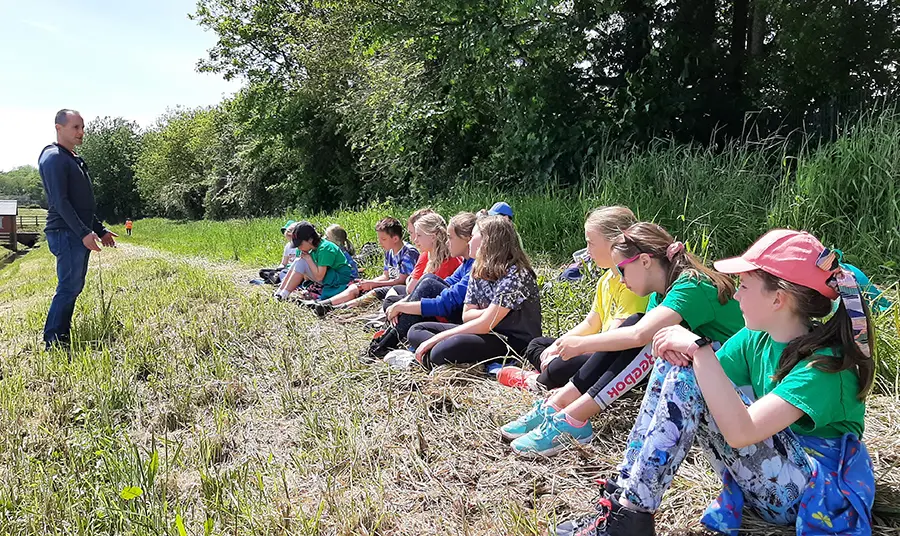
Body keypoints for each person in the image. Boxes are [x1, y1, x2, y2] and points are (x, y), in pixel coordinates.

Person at [555, 229, 877, 536]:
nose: (735, 294)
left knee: (691, 367)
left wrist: (698, 349)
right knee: (678, 365)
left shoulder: (824, 366)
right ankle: (624, 495)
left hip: (806, 495)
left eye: (745, 287)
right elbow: (699, 382)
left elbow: (742, 433)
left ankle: (633, 514)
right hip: (770, 475)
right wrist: (688, 354)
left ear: (778, 299)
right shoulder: (758, 338)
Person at [505, 222, 744, 456]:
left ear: (645, 261)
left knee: (646, 336)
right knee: (638, 324)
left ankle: (574, 418)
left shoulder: (692, 286)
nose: (620, 278)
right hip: (710, 375)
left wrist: (580, 344)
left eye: (621, 269)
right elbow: (635, 331)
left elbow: (639, 336)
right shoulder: (662, 294)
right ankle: (559, 404)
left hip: (737, 387)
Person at [505, 207, 648, 391]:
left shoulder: (632, 285)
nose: (587, 251)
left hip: (614, 354)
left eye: (591, 243)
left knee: (561, 365)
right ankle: (550, 376)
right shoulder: (605, 280)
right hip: (598, 346)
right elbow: (591, 323)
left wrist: (574, 350)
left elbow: (613, 341)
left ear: (614, 242)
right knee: (537, 344)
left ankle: (539, 381)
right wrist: (559, 346)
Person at [406, 215, 541, 368]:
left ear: (489, 240)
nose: (469, 241)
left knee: (443, 349)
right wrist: (491, 311)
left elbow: (485, 324)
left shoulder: (516, 274)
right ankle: (438, 354)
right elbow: (467, 315)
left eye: (474, 236)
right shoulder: (477, 269)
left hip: (511, 340)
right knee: (416, 330)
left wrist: (435, 339)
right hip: (485, 331)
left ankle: (433, 354)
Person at [39, 109, 117, 350]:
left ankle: (61, 333)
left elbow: (81, 204)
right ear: (58, 127)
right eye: (75, 127)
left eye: (82, 127)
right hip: (65, 232)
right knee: (69, 286)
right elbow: (61, 202)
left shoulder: (72, 158)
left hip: (74, 230)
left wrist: (99, 229)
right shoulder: (54, 158)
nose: (81, 132)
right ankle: (54, 340)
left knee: (73, 286)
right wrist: (84, 233)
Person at [384, 212, 477, 340]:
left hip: (456, 319)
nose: (447, 242)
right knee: (427, 281)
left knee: (414, 330)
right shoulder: (466, 264)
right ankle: (388, 337)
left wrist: (402, 306)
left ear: (467, 239)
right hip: (446, 309)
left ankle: (387, 340)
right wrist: (401, 305)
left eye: (450, 237)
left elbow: (443, 302)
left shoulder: (473, 267)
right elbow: (445, 283)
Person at [312, 217, 419, 316]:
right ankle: (325, 304)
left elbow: (401, 281)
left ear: (395, 238)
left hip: (399, 288)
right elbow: (385, 275)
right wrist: (367, 282)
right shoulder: (389, 251)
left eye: (383, 239)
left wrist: (373, 284)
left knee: (372, 293)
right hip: (389, 284)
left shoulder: (408, 253)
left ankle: (336, 309)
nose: (379, 242)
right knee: (356, 286)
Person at [273, 221, 354, 300]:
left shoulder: (325, 248)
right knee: (298, 261)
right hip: (327, 276)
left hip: (339, 278)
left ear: (310, 240)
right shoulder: (308, 248)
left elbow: (319, 277)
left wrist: (308, 259)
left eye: (300, 244)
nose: (299, 248)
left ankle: (284, 295)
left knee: (300, 262)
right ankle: (280, 292)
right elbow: (305, 277)